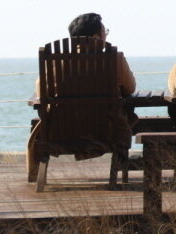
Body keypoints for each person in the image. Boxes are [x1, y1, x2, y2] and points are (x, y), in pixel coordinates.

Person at [27, 13, 137, 176]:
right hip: (105, 132)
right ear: (96, 36)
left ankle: (37, 176)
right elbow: (130, 88)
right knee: (129, 116)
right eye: (104, 31)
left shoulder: (56, 61)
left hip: (60, 133)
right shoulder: (115, 59)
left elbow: (42, 92)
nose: (106, 35)